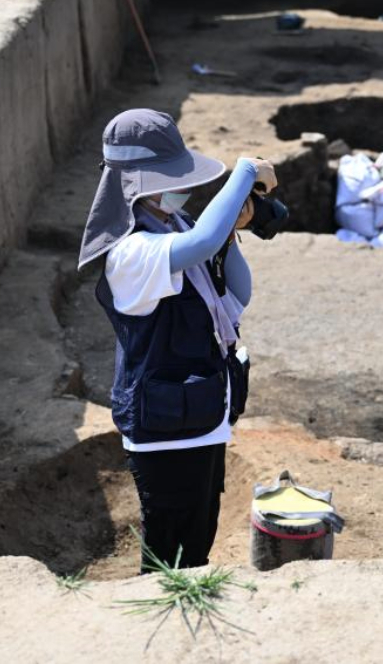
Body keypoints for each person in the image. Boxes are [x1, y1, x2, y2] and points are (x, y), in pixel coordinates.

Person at [77, 108, 277, 571]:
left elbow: (237, 294)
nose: (181, 188)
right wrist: (244, 171)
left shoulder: (176, 228)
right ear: (136, 185)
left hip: (202, 414)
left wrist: (228, 229)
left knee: (198, 544)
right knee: (167, 560)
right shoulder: (129, 253)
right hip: (163, 434)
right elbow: (202, 245)